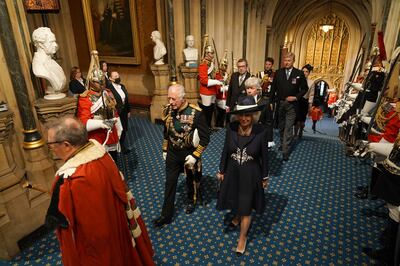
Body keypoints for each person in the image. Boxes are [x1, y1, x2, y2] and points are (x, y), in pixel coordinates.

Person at [45, 116, 154, 266]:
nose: (51, 148)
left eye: (50, 144)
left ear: (66, 145)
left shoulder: (70, 178)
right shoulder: (100, 151)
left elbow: (67, 230)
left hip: (97, 247)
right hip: (117, 226)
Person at [216, 96, 269, 256]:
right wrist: (221, 170)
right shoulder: (231, 128)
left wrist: (265, 177)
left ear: (253, 115)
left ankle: (242, 237)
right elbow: (226, 150)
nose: (244, 118)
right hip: (232, 171)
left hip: (251, 174)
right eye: (241, 115)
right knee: (236, 197)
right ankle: (237, 215)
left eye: (248, 115)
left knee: (246, 207)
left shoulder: (261, 131)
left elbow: (264, 157)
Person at [153, 84, 210, 228]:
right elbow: (166, 132)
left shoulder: (196, 113)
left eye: (174, 99)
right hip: (173, 153)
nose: (170, 102)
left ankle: (192, 200)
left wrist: (195, 156)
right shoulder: (168, 110)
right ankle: (166, 215)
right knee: (170, 183)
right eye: (169, 98)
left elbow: (205, 138)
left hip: (188, 153)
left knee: (191, 180)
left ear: (182, 98)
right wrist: (165, 150)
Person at [76, 51, 122, 161]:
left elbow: (114, 111)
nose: (101, 85)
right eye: (98, 82)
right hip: (96, 135)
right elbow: (83, 122)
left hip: (111, 132)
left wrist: (119, 127)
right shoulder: (85, 98)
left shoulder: (108, 92)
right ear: (92, 82)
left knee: (114, 161)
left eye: (103, 82)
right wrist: (102, 123)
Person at [270, 52, 308, 161]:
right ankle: (283, 143)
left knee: (288, 127)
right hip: (280, 104)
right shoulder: (278, 72)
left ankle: (285, 151)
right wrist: (271, 102)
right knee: (281, 126)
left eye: (289, 60)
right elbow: (273, 89)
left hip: (292, 105)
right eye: (285, 60)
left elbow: (305, 89)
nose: (286, 62)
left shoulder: (299, 73)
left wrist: (296, 97)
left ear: (293, 61)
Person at [32, 27, 66, 99]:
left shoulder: (52, 62)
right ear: (40, 44)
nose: (55, 45)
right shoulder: (38, 66)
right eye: (51, 42)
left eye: (55, 41)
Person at [198, 37, 223, 128]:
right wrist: (216, 81)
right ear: (206, 54)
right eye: (211, 53)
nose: (212, 54)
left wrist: (220, 79)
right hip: (206, 91)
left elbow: (214, 75)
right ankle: (205, 128)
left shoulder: (212, 64)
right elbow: (204, 80)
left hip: (213, 91)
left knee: (211, 110)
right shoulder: (203, 64)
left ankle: (209, 127)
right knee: (206, 111)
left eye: (213, 53)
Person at [244, 77, 274, 144]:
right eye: (247, 88)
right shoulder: (242, 101)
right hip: (245, 133)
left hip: (259, 133)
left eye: (252, 88)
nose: (249, 91)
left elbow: (268, 122)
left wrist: (269, 139)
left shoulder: (265, 102)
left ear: (258, 90)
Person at [108, 70, 131, 153]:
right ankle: (116, 146)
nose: (117, 77)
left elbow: (127, 99)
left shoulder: (122, 86)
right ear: (110, 78)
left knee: (124, 128)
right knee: (118, 129)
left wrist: (128, 110)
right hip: (116, 112)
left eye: (118, 75)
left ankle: (122, 144)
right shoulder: (109, 89)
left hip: (124, 111)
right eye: (115, 76)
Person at [295, 64, 315, 138]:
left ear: (309, 73)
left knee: (302, 121)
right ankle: (295, 133)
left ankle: (301, 131)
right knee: (296, 120)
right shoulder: (297, 80)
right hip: (297, 101)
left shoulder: (311, 82)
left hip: (305, 102)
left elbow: (311, 95)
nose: (304, 73)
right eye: (303, 71)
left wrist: (310, 105)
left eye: (306, 71)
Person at [215, 52, 229, 128]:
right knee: (220, 115)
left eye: (225, 66)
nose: (224, 67)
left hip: (226, 98)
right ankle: (218, 128)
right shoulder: (217, 75)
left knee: (225, 115)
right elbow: (218, 88)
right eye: (223, 65)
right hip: (220, 98)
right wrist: (225, 88)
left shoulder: (227, 74)